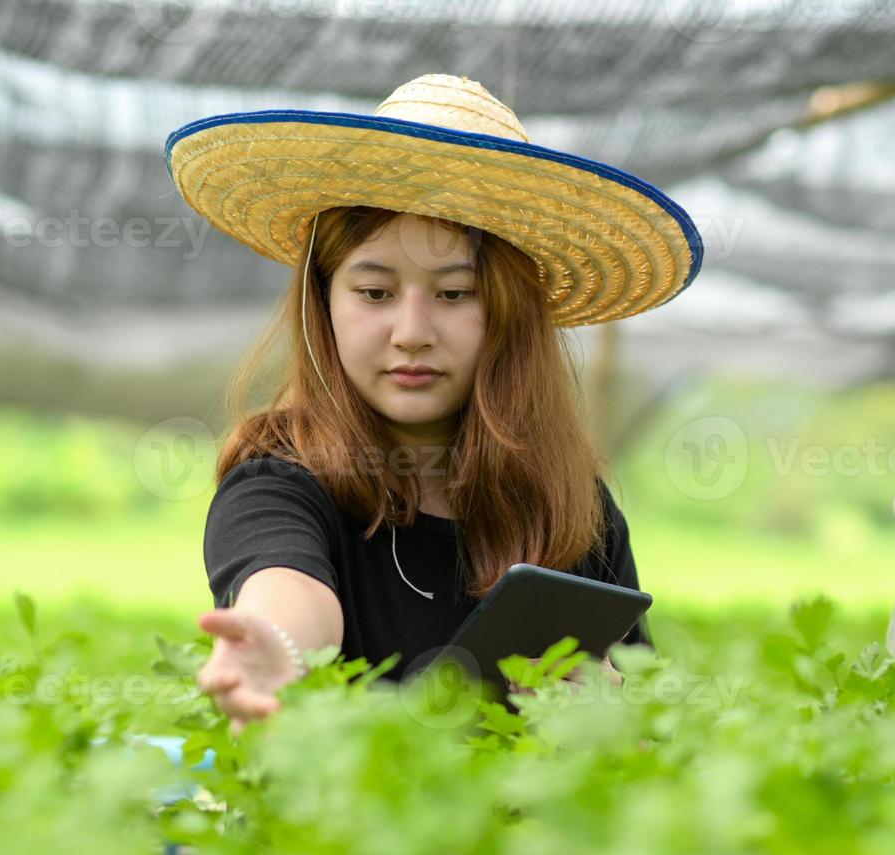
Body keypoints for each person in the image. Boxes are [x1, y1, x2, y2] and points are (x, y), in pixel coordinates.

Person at [162, 74, 704, 731]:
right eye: (374, 292)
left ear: (509, 314)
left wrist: (606, 715)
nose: (413, 331)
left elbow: (641, 740)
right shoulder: (281, 480)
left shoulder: (573, 507)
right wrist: (274, 651)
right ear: (324, 303)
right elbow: (290, 595)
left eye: (453, 294)